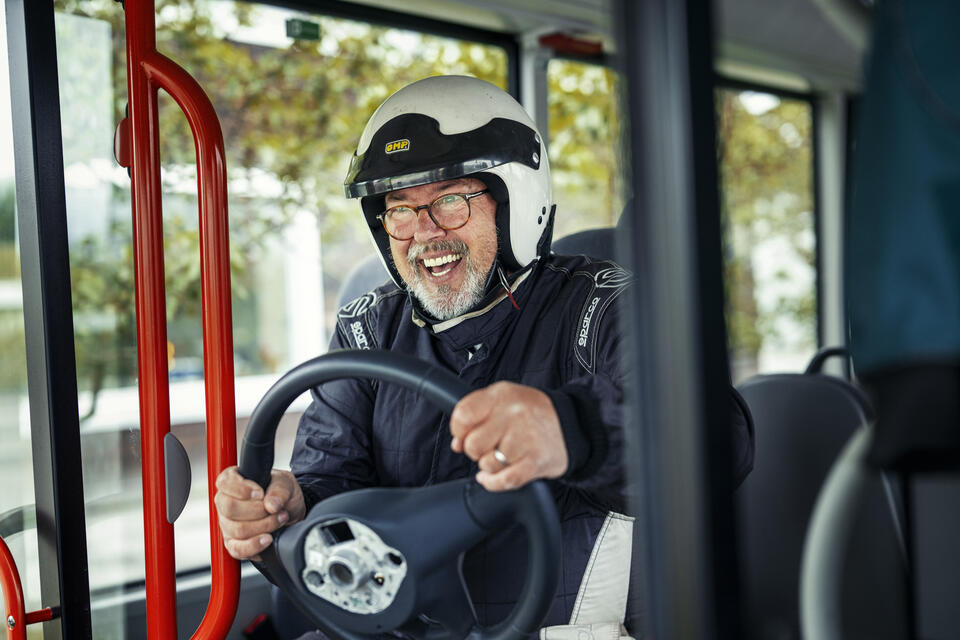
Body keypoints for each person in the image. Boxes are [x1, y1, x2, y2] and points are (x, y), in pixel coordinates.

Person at [214, 75, 754, 637]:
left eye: (448, 201)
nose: (423, 233)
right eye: (399, 209)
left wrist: (573, 429)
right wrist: (292, 508)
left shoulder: (609, 306)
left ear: (513, 202)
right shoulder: (369, 325)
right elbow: (333, 481)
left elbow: (718, 436)